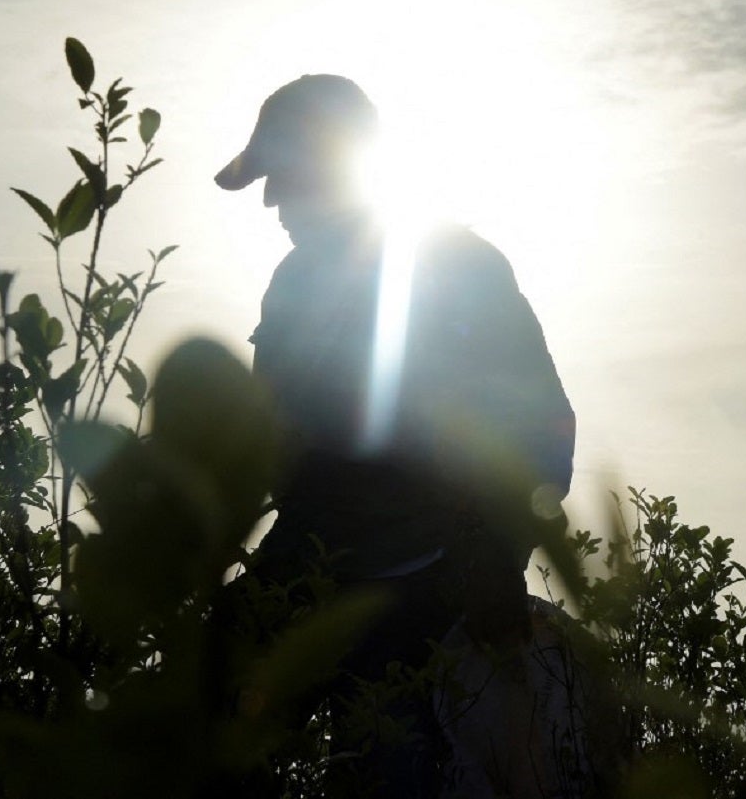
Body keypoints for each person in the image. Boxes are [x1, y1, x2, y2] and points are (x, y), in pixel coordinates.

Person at [215, 74, 576, 797]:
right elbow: (264, 443)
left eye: (280, 175)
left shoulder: (458, 266)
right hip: (311, 561)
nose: (270, 201)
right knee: (212, 723)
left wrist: (498, 553)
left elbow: (543, 430)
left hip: (427, 581)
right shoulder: (289, 286)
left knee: (390, 764)